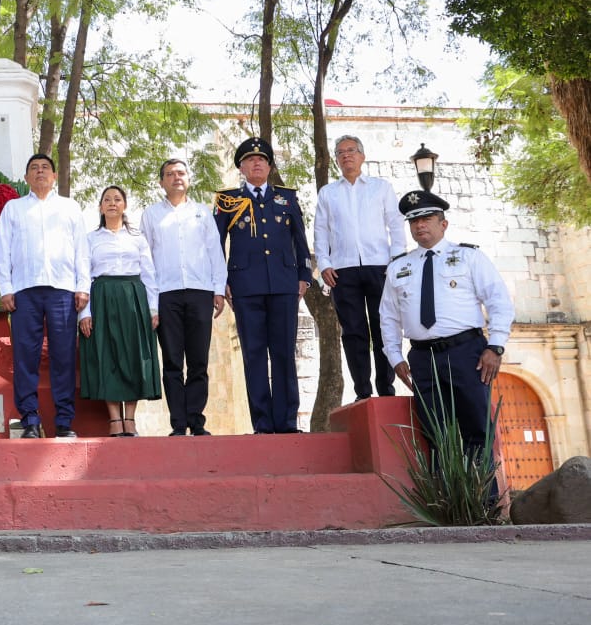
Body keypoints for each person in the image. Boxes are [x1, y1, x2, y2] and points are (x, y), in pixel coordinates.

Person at [379, 190, 513, 461]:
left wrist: (496, 345)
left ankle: (482, 501)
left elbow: (498, 300)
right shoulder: (398, 268)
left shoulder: (469, 257)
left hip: (466, 353)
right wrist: (394, 357)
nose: (420, 225)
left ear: (443, 224)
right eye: (414, 221)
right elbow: (388, 317)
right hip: (422, 358)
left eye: (427, 218)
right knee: (435, 433)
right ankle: (445, 500)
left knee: (476, 427)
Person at [214, 137, 313, 434]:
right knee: (254, 354)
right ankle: (263, 422)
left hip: (284, 285)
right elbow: (215, 245)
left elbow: (300, 240)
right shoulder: (227, 201)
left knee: (283, 353)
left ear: (269, 166)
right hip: (245, 287)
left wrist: (304, 276)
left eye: (262, 160)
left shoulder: (287, 198)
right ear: (241, 167)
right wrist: (222, 282)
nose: (257, 163)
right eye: (250, 159)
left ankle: (286, 421)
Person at [0, 153, 91, 439]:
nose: (40, 172)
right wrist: (6, 288)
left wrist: (82, 286)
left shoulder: (69, 208)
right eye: (34, 169)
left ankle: (64, 421)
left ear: (54, 176)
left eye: (45, 168)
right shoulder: (14, 209)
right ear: (26, 178)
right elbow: (3, 250)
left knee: (63, 356)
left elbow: (81, 250)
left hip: (63, 290)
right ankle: (30, 419)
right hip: (24, 291)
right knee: (26, 355)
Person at [313, 134, 405, 400]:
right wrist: (325, 264)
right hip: (343, 270)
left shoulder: (381, 187)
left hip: (380, 267)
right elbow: (321, 232)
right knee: (353, 332)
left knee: (383, 327)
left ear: (362, 156)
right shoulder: (328, 193)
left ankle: (386, 390)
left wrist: (396, 259)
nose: (346, 156)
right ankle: (362, 392)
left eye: (351, 150)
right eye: (340, 152)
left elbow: (395, 224)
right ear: (337, 161)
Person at [141, 158, 227, 437]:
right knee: (172, 362)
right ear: (161, 182)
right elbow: (146, 260)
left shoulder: (202, 212)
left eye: (181, 173)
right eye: (170, 174)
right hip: (166, 295)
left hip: (200, 292)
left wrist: (218, 289)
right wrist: (151, 302)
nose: (176, 177)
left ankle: (197, 421)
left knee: (199, 361)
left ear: (188, 178)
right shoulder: (151, 215)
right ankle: (178, 424)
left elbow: (215, 252)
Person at [79, 185, 160, 437]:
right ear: (101, 207)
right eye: (107, 199)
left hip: (133, 297)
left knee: (133, 355)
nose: (112, 203)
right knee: (107, 355)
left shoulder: (137, 238)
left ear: (124, 205)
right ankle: (115, 420)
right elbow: (83, 275)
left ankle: (131, 419)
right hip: (101, 295)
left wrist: (153, 308)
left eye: (117, 199)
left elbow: (149, 274)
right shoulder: (90, 239)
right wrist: (84, 313)